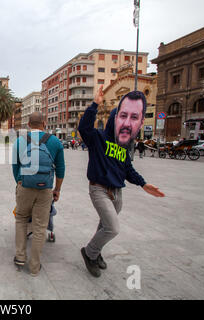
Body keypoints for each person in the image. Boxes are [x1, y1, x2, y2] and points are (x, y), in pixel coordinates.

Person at [78, 86, 164, 278]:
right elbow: (83, 128)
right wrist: (95, 104)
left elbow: (128, 170)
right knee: (113, 228)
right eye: (120, 118)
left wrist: (143, 183)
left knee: (104, 226)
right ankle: (89, 252)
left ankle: (96, 252)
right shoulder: (98, 138)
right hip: (99, 189)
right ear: (114, 120)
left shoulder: (123, 146)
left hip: (117, 192)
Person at [12, 112, 65, 276]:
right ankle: (34, 267)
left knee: (21, 219)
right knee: (40, 227)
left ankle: (20, 257)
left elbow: (15, 166)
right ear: (44, 123)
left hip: (24, 187)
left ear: (28, 124)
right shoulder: (55, 141)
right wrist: (57, 190)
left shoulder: (20, 141)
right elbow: (61, 169)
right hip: (45, 190)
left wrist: (20, 182)